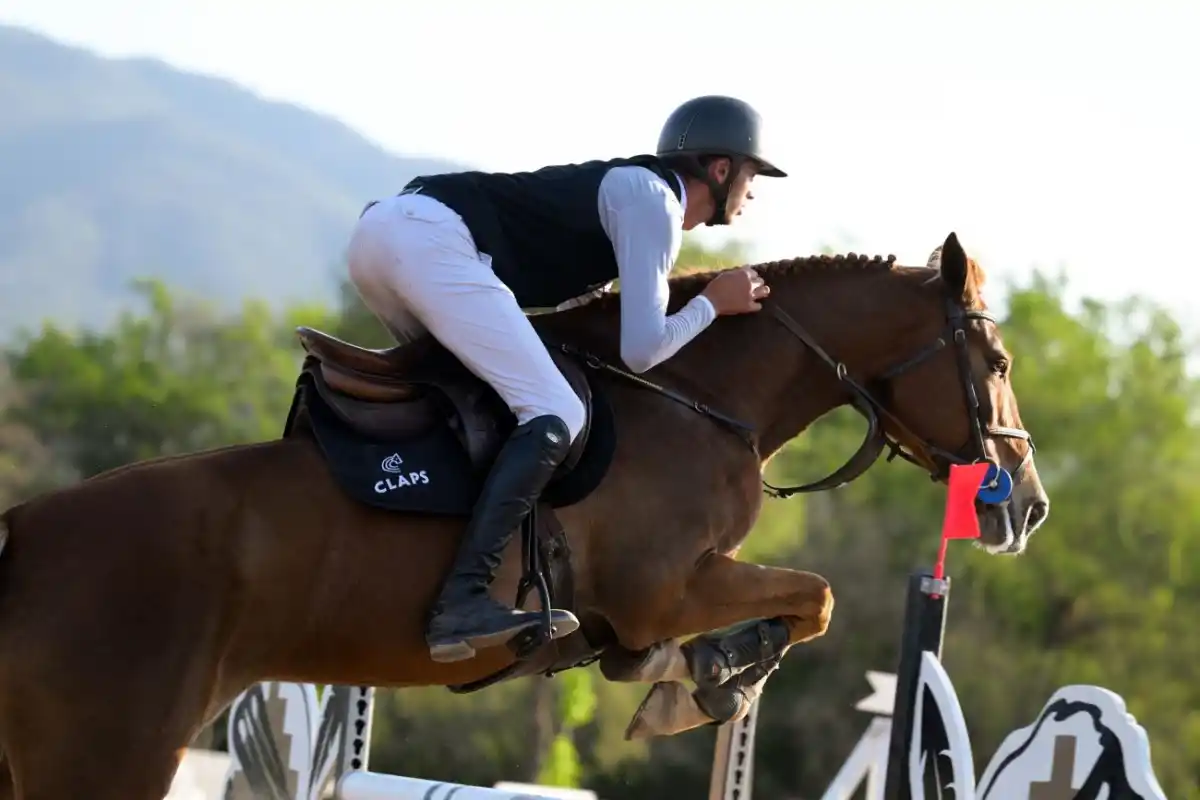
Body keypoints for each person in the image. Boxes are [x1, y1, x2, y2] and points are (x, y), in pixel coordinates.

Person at [344, 94, 788, 663]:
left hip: (385, 236)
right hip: (426, 240)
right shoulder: (654, 200)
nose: (752, 190)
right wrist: (711, 303)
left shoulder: (629, 200)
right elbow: (643, 351)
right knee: (559, 410)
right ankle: (463, 597)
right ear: (720, 170)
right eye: (752, 174)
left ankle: (410, 544)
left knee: (481, 402)